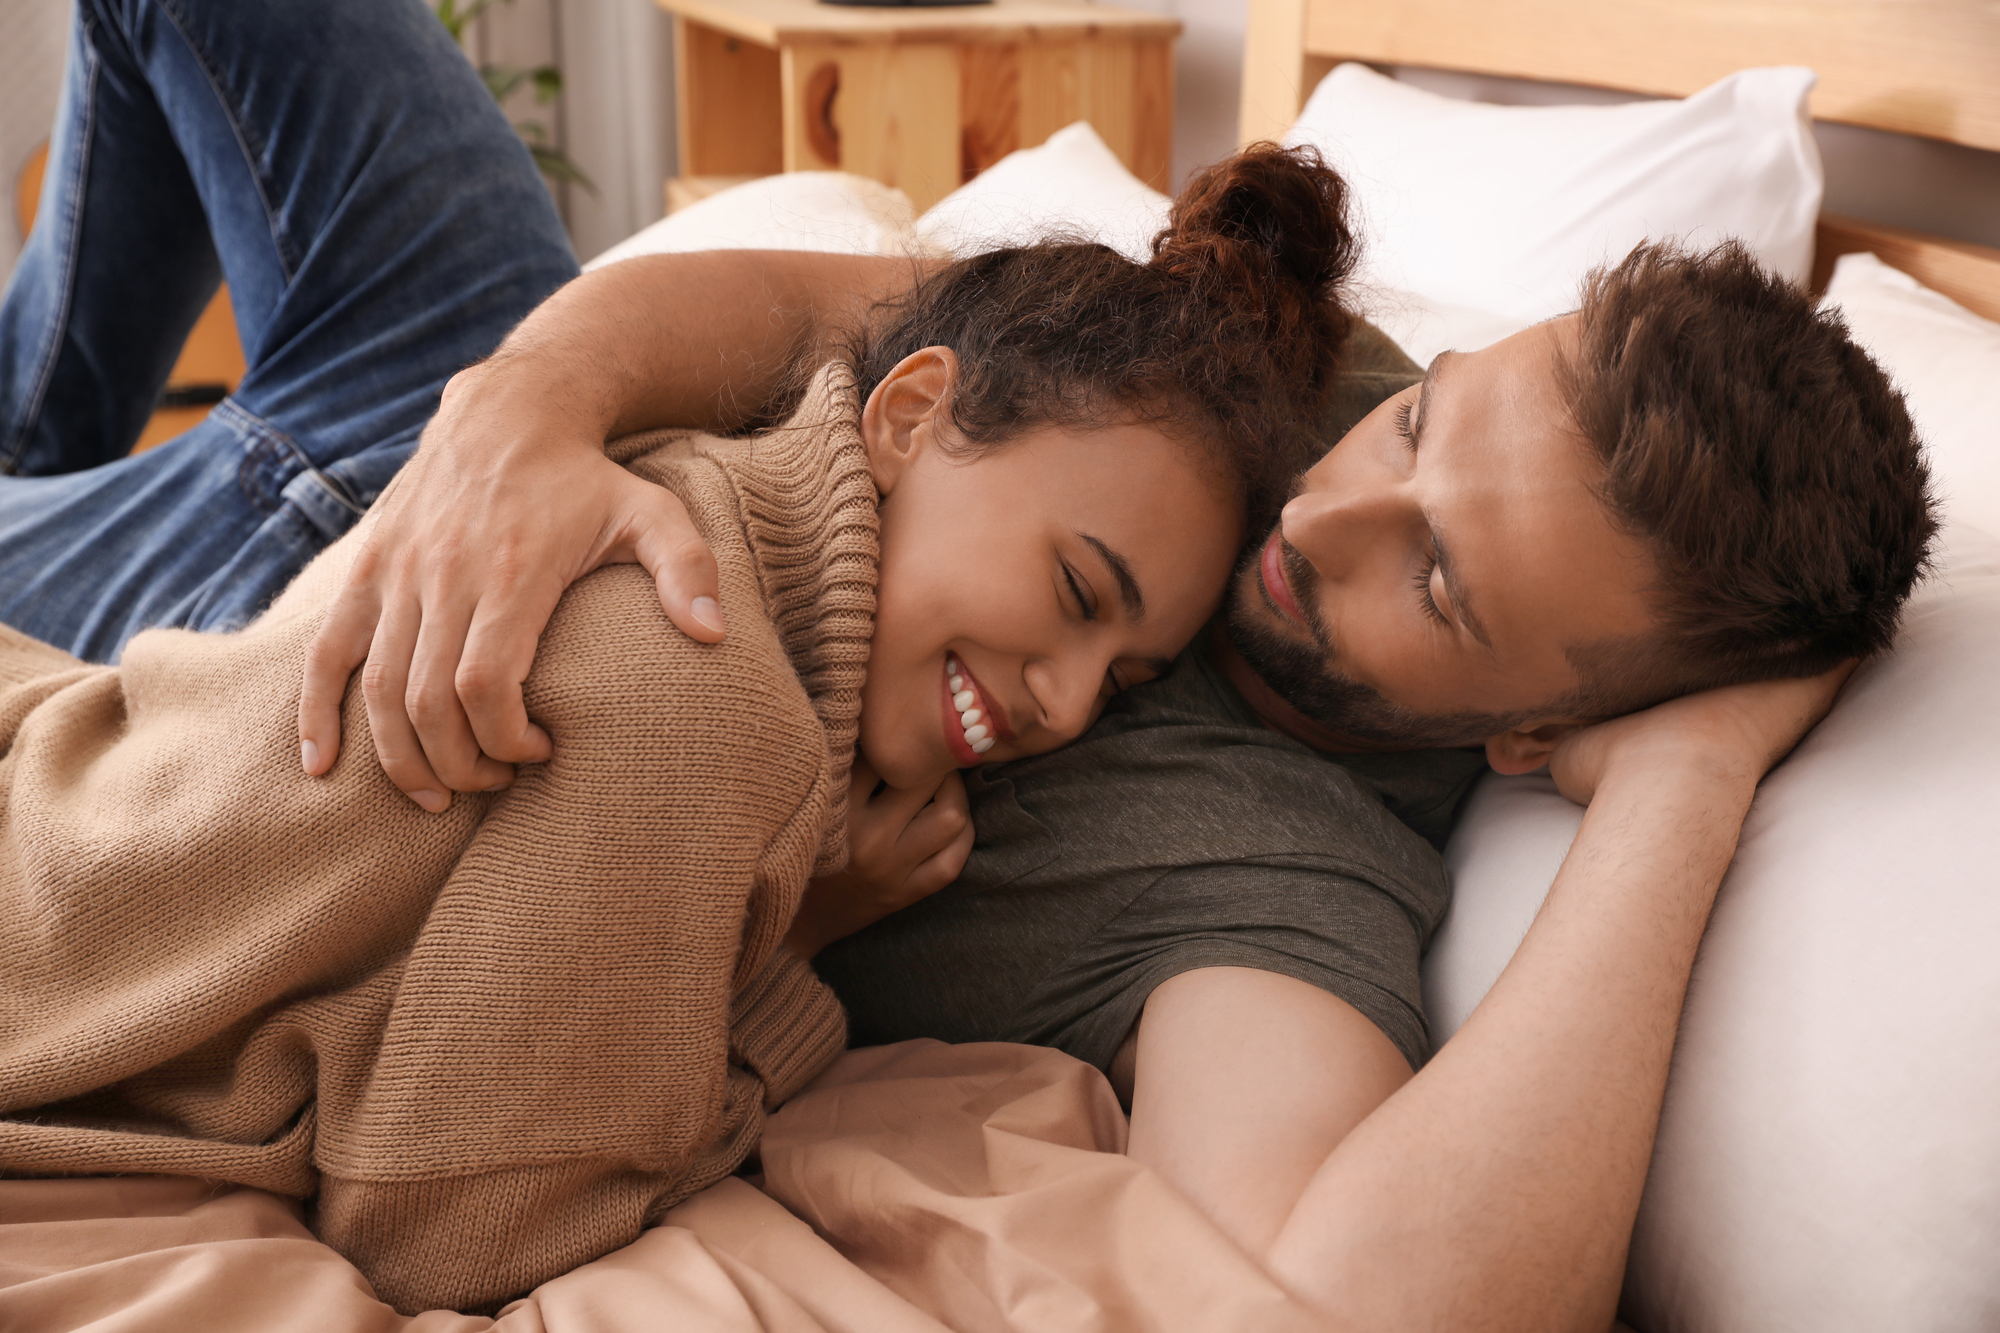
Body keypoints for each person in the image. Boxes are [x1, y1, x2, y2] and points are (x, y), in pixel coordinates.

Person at [0, 3, 1934, 1330]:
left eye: (1434, 585)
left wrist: (1685, 788)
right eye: (1424, 436)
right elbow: (851, 318)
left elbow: (1371, 1303)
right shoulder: (1298, 370)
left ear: (1535, 724)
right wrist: (514, 423)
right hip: (449, 473)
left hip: (338, 615)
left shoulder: (1287, 889)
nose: (1326, 514)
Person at [0, 0, 1361, 1313]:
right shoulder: (714, 704)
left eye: (1121, 680)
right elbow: (459, 1230)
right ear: (910, 409)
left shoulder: (722, 499)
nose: (1064, 705)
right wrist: (793, 968)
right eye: (1075, 590)